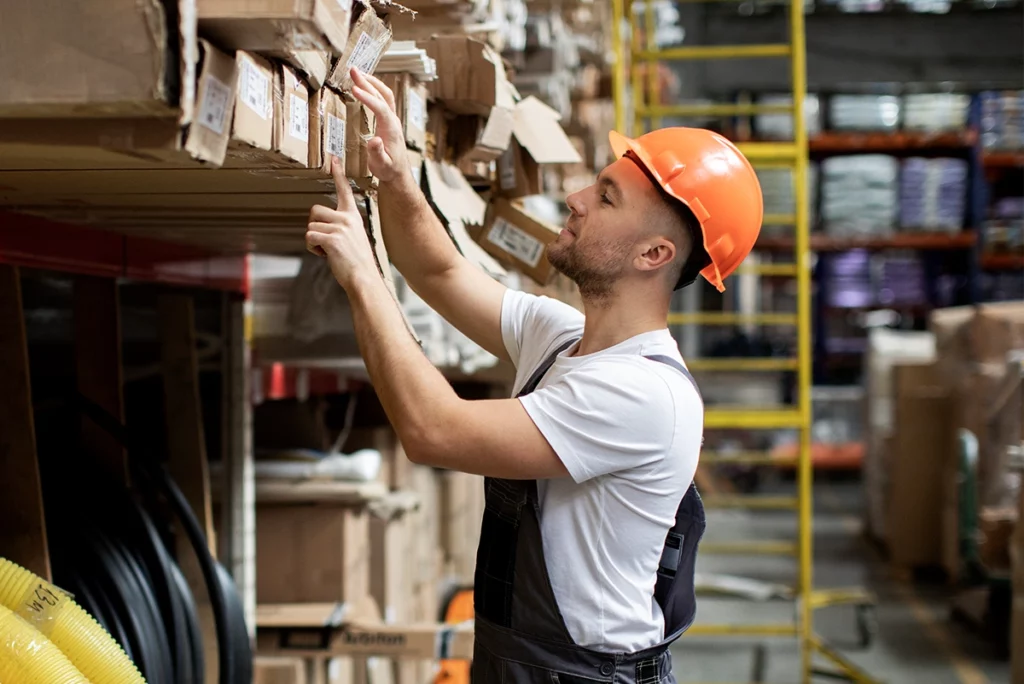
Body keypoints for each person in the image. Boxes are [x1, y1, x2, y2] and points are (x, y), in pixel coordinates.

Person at [306, 67, 764, 683]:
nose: (576, 198)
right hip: (521, 661)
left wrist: (365, 277)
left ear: (653, 255)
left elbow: (432, 430)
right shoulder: (564, 339)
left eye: (605, 197)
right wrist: (394, 174)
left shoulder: (643, 395)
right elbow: (441, 273)